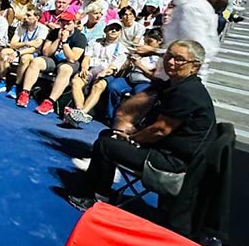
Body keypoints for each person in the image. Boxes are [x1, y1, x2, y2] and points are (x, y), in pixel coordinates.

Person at [65, 40, 216, 212]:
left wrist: (132, 138)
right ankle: (95, 190)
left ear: (195, 67)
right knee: (107, 135)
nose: (171, 62)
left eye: (179, 59)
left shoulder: (188, 92)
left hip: (171, 160)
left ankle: (97, 200)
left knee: (105, 145)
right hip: (162, 147)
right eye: (169, 56)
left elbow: (160, 130)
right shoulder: (175, 85)